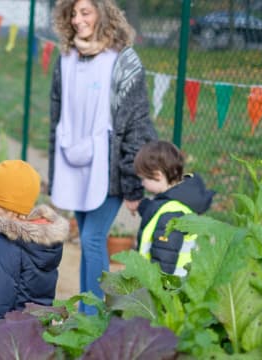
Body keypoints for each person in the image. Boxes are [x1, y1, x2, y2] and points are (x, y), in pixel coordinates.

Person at [48, 0, 157, 314]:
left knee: (94, 238)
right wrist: (58, 170)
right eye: (73, 13)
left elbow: (135, 124)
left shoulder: (124, 60)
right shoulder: (66, 58)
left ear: (103, 14)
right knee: (86, 238)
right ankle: (85, 313)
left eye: (86, 12)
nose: (78, 20)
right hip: (74, 163)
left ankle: (94, 321)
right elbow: (57, 117)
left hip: (109, 168)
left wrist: (133, 185)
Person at [0, 160, 68, 342]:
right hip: (31, 336)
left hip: (2, 338)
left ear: (4, 206)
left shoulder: (3, 247)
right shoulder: (40, 242)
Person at [134, 141, 214, 276]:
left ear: (157, 175)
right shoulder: (177, 202)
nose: (142, 183)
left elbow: (164, 258)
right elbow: (156, 212)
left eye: (143, 179)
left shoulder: (170, 214)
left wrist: (158, 288)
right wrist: (144, 206)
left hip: (168, 286)